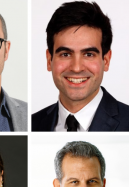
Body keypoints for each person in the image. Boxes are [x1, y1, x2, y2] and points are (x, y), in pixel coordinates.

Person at [32, 1, 129, 131]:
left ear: (106, 60)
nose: (76, 68)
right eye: (65, 54)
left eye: (88, 54)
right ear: (49, 60)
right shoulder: (33, 123)